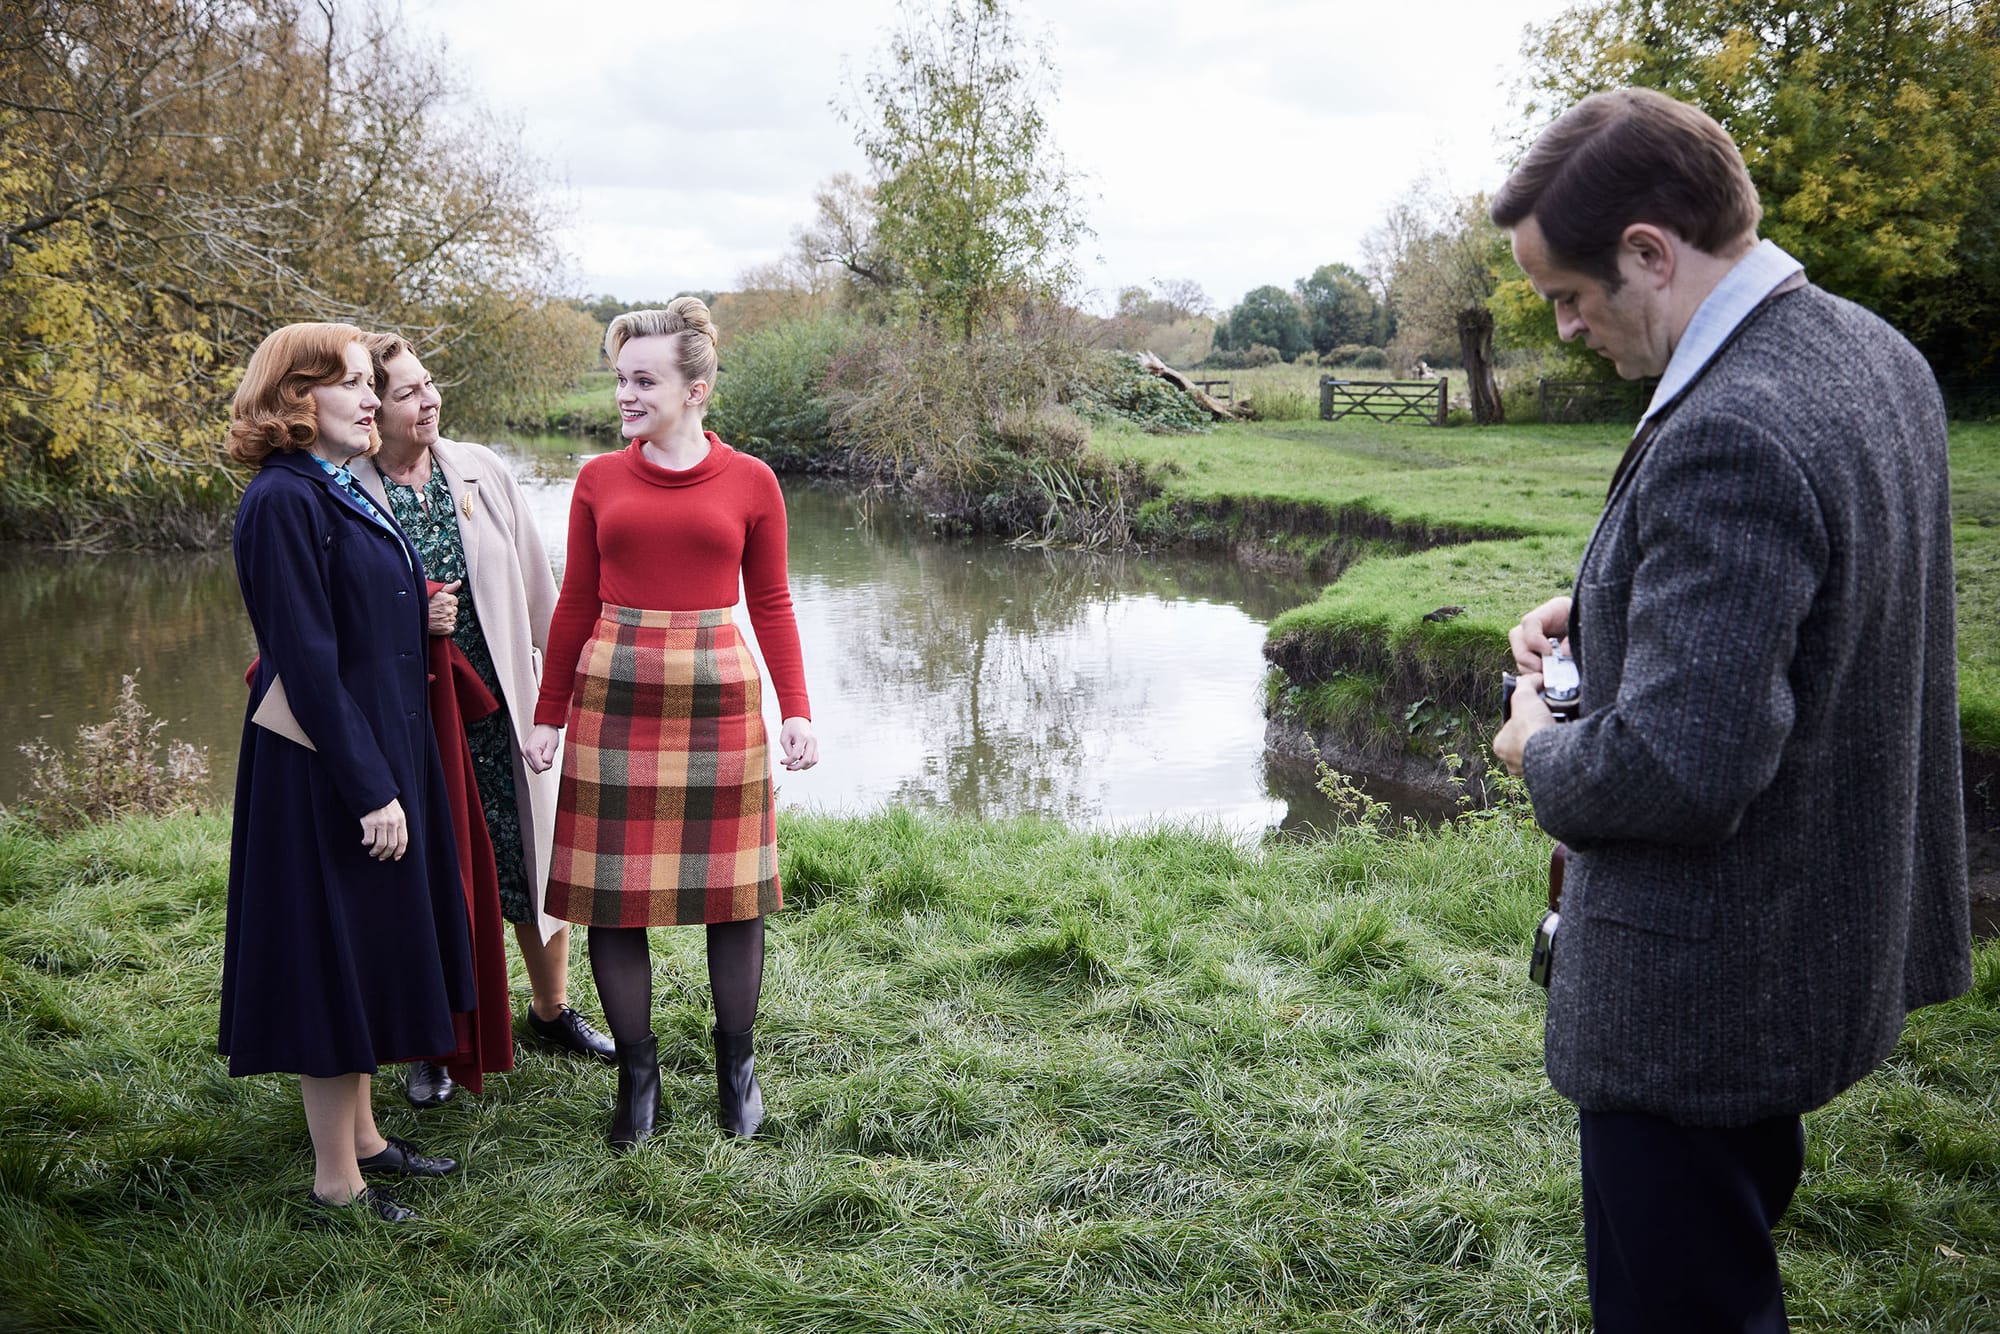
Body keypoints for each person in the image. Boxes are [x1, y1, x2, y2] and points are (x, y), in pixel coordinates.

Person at [1488, 88, 1972, 1332]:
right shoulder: (1866, 350)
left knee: (1683, 1304)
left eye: (1567, 294)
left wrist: (1537, 745)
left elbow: (1674, 768)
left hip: (1698, 999)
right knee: (1727, 1239)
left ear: (1649, 250)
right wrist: (1605, 605)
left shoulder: (1735, 423)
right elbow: (1811, 600)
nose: (1565, 326)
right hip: (1804, 946)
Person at [524, 297, 817, 1150]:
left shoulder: (753, 481)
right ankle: (637, 1082)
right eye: (620, 379)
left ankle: (737, 1075)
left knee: (735, 898)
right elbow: (576, 600)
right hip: (615, 691)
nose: (626, 394)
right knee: (613, 902)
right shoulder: (597, 479)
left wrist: (796, 707)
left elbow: (770, 599)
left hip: (721, 695)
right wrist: (550, 716)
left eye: (643, 379)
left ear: (695, 389)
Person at [220, 322, 474, 1223]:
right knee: (333, 959)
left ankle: (365, 1136)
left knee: (366, 944)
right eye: (355, 384)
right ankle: (338, 1181)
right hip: (326, 768)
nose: (374, 399)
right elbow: (307, 661)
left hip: (374, 747)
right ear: (297, 397)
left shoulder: (336, 485)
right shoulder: (282, 501)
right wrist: (370, 788)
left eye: (374, 383)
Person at [352, 334, 616, 1108]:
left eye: (430, 385)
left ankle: (550, 1008)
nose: (428, 401)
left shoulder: (482, 470)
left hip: (503, 707)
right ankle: (432, 1040)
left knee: (531, 859)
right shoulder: (348, 487)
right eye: (407, 393)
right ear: (372, 409)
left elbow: (544, 590)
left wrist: (562, 690)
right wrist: (410, 622)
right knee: (434, 873)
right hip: (410, 717)